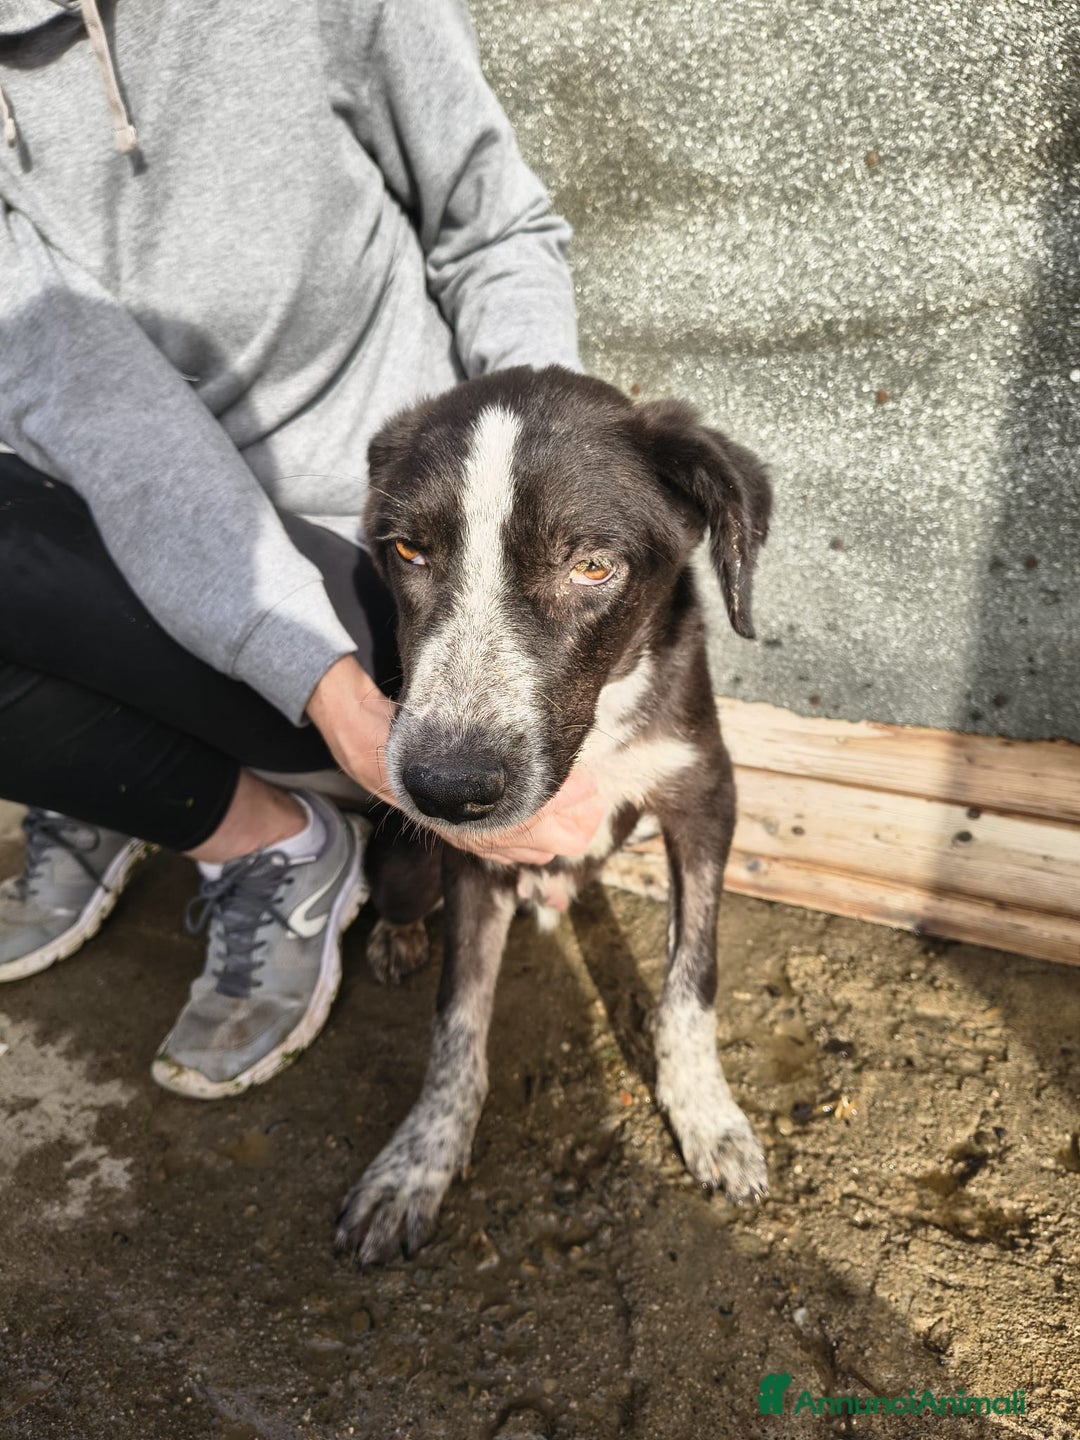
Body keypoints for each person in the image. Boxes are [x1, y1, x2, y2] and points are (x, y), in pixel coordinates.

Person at [0, 0, 604, 1098]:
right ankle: (247, 831)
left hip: (387, 550)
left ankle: (153, 783)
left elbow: (493, 230)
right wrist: (325, 692)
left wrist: (530, 512)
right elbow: (100, 415)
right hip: (149, 526)